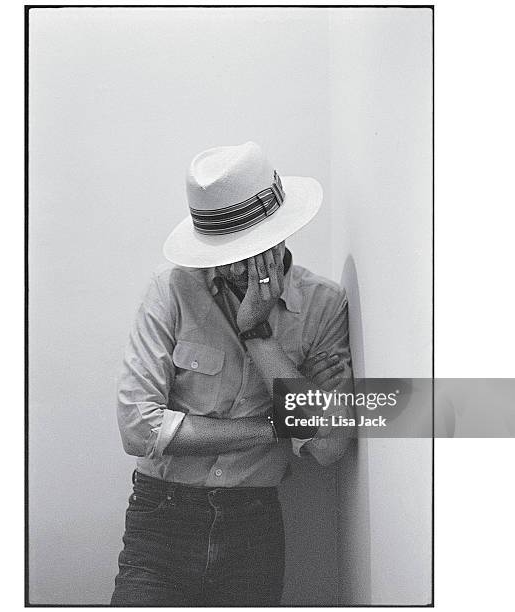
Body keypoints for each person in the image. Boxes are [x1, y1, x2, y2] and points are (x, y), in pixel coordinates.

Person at [110, 141, 354, 606]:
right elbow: (138, 428)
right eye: (228, 251)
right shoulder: (173, 288)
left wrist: (259, 334)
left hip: (253, 524)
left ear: (282, 233)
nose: (241, 265)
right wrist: (276, 425)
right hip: (161, 516)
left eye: (253, 249)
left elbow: (326, 445)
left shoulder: (322, 305)